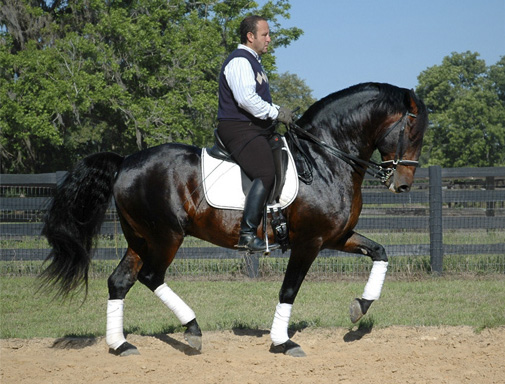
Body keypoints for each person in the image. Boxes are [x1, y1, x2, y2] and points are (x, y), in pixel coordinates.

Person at [217, 15, 293, 252]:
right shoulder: (240, 61)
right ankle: (247, 233)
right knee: (265, 172)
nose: (269, 39)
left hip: (252, 128)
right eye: (265, 34)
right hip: (238, 128)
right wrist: (276, 112)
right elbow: (246, 100)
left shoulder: (255, 62)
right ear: (250, 37)